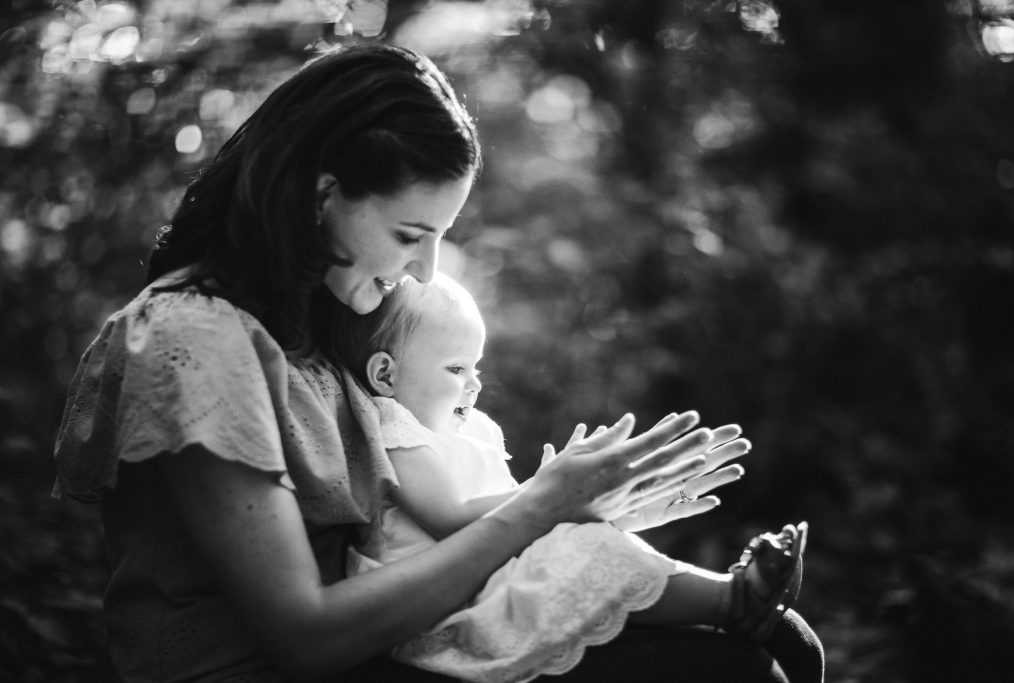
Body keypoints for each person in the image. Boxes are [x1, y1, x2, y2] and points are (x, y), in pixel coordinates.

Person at [51, 42, 822, 682]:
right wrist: (538, 508)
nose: (423, 272)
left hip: (387, 649)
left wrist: (589, 504)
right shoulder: (195, 340)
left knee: (781, 640)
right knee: (726, 671)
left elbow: (420, 518)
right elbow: (305, 636)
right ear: (323, 195)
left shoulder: (320, 321)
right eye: (411, 233)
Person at [327, 272, 809, 682]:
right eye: (456, 368)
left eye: (477, 366)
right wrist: (547, 493)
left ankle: (730, 598)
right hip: (438, 611)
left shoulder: (465, 431)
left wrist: (590, 503)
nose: (474, 383)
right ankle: (730, 600)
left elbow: (508, 521)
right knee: (587, 549)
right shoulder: (396, 432)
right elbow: (451, 519)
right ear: (386, 376)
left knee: (591, 541)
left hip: (484, 581)